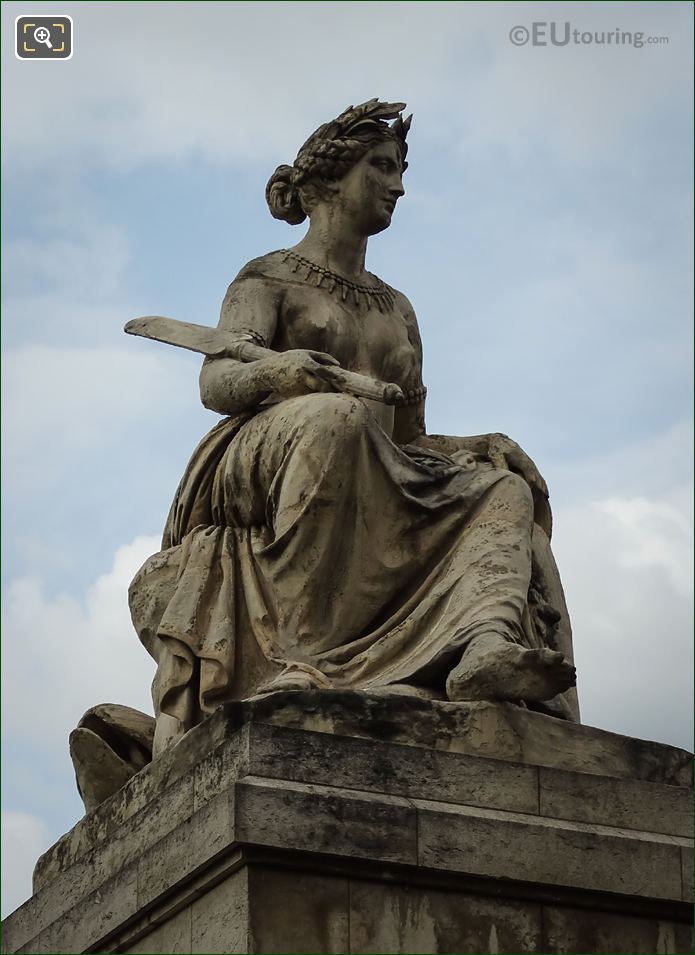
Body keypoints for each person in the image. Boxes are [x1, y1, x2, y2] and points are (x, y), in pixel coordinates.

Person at [128, 99, 577, 758]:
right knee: (335, 417)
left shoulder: (397, 308)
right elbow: (216, 385)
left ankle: (483, 647)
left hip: (364, 455)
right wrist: (280, 375)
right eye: (381, 167)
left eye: (399, 170)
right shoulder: (266, 276)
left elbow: (407, 439)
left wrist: (477, 447)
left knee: (497, 487)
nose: (397, 185)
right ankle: (297, 657)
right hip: (257, 456)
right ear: (330, 180)